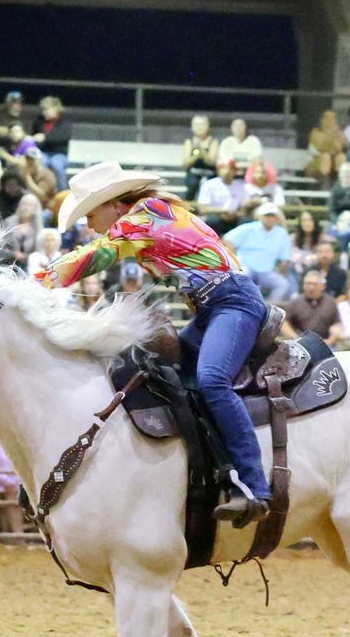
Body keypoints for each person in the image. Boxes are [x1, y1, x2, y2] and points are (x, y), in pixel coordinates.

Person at [37, 161, 272, 526]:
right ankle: (217, 472)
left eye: (90, 213)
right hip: (217, 306)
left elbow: (97, 254)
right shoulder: (153, 217)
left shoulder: (143, 217)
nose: (87, 225)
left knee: (212, 380)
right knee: (175, 381)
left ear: (115, 204)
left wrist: (40, 281)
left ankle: (256, 489)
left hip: (232, 302)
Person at [224, 202, 290, 303]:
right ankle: (243, 305)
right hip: (246, 268)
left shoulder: (281, 233)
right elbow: (227, 239)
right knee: (242, 276)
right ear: (260, 216)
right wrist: (234, 259)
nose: (270, 218)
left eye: (272, 215)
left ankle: (268, 308)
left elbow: (284, 259)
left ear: (277, 217)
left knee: (282, 283)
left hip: (267, 271)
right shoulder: (249, 228)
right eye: (267, 215)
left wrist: (280, 270)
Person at [279, 271, 342, 345]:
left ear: (323, 286)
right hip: (300, 345)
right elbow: (284, 324)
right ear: (303, 286)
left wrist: (330, 341)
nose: (311, 288)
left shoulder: (331, 302)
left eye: (315, 284)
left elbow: (337, 324)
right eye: (308, 284)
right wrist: (296, 338)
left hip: (325, 344)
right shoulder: (295, 302)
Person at [31, 95, 71, 191]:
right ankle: (42, 190)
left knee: (56, 165)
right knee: (41, 163)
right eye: (43, 110)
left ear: (55, 108)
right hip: (43, 153)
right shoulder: (38, 122)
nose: (44, 112)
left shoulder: (64, 122)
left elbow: (63, 137)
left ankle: (63, 191)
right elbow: (34, 136)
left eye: (47, 109)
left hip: (59, 154)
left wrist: (45, 138)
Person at [196, 159, 245, 235]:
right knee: (212, 220)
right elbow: (202, 208)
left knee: (246, 222)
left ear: (235, 171)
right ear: (218, 170)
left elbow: (244, 206)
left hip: (235, 216)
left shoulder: (241, 185)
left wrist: (236, 214)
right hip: (215, 215)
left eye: (230, 168)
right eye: (224, 168)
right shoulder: (209, 185)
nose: (227, 171)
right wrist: (222, 211)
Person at [182, 115, 219, 201]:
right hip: (194, 172)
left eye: (202, 124)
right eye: (196, 124)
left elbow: (212, 161)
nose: (199, 127)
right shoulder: (189, 141)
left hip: (210, 173)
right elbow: (186, 163)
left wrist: (202, 150)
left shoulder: (213, 141)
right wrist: (196, 155)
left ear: (208, 126)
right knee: (193, 183)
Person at [306, 109, 346, 187]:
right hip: (316, 166)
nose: (330, 120)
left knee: (341, 157)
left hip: (333, 166)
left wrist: (335, 137)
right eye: (327, 117)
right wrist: (332, 136)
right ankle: (321, 189)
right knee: (325, 157)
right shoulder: (315, 132)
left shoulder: (340, 133)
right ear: (321, 120)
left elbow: (339, 148)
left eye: (333, 118)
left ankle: (338, 186)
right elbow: (322, 148)